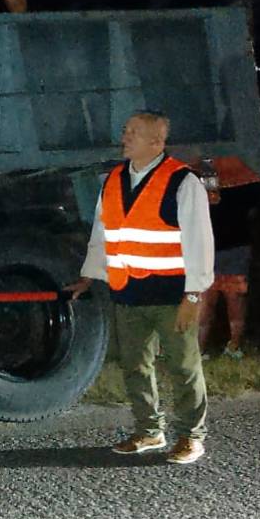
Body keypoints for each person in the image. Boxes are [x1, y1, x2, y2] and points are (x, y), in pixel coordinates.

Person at [66, 111, 213, 465]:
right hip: (128, 293)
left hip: (171, 296)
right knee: (135, 366)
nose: (125, 136)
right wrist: (90, 276)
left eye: (134, 132)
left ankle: (192, 437)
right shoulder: (114, 179)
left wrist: (194, 294)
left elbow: (199, 241)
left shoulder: (181, 181)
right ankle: (149, 430)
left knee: (183, 366)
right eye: (125, 131)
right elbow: (103, 236)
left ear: (156, 142)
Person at [199, 180, 260, 359]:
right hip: (205, 247)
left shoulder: (242, 178)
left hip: (235, 246)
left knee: (234, 297)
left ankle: (234, 347)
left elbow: (252, 210)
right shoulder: (193, 177)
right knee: (204, 299)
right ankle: (199, 349)